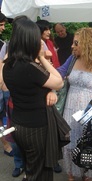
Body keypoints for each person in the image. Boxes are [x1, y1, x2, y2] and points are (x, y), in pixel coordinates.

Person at [3, 17, 64, 181]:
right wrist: (43, 58)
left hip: (18, 124)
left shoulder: (8, 64)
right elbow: (59, 81)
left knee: (31, 168)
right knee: (39, 172)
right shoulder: (29, 67)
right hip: (36, 126)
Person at [56, 27, 92, 180]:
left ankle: (86, 174)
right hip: (69, 108)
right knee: (70, 143)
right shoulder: (72, 59)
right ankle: (71, 174)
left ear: (87, 44)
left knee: (86, 143)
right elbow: (59, 72)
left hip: (88, 110)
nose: (72, 46)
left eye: (76, 43)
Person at [0, 11, 12, 158]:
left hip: (3, 87)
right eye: (1, 25)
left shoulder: (2, 44)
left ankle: (6, 143)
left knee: (3, 115)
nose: (3, 28)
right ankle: (5, 144)